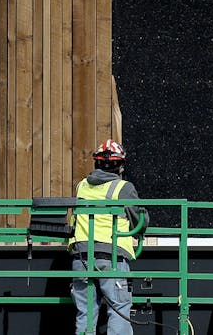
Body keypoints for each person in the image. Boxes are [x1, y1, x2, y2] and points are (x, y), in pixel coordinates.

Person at [69, 139, 145, 335]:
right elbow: (140, 219)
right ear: (120, 165)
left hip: (81, 257)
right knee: (119, 309)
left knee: (85, 313)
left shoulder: (82, 186)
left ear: (96, 163)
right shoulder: (124, 188)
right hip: (111, 256)